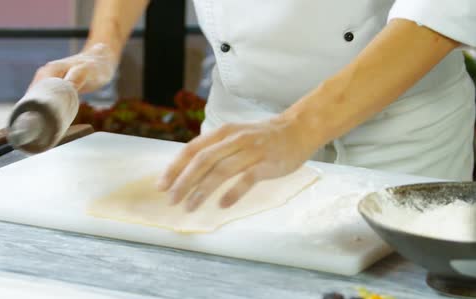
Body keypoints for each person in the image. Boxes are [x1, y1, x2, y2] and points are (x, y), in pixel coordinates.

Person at [31, 1, 476, 212]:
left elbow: (441, 12)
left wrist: (299, 129)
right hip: (245, 121)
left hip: (400, 133)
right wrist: (100, 47)